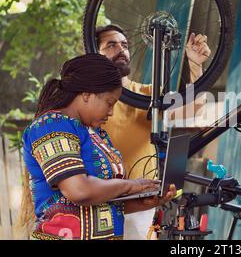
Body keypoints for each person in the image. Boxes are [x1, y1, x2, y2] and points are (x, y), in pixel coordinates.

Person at [20, 53, 176, 240]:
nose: (111, 112)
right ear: (86, 93)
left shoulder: (96, 134)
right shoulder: (51, 125)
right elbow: (79, 190)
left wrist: (147, 201)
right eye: (109, 103)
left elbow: (106, 203)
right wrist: (131, 185)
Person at [96, 24, 210, 240]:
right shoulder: (88, 101)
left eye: (125, 45)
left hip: (142, 206)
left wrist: (195, 66)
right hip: (100, 205)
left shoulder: (149, 94)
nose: (121, 49)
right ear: (94, 51)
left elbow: (193, 109)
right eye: (111, 45)